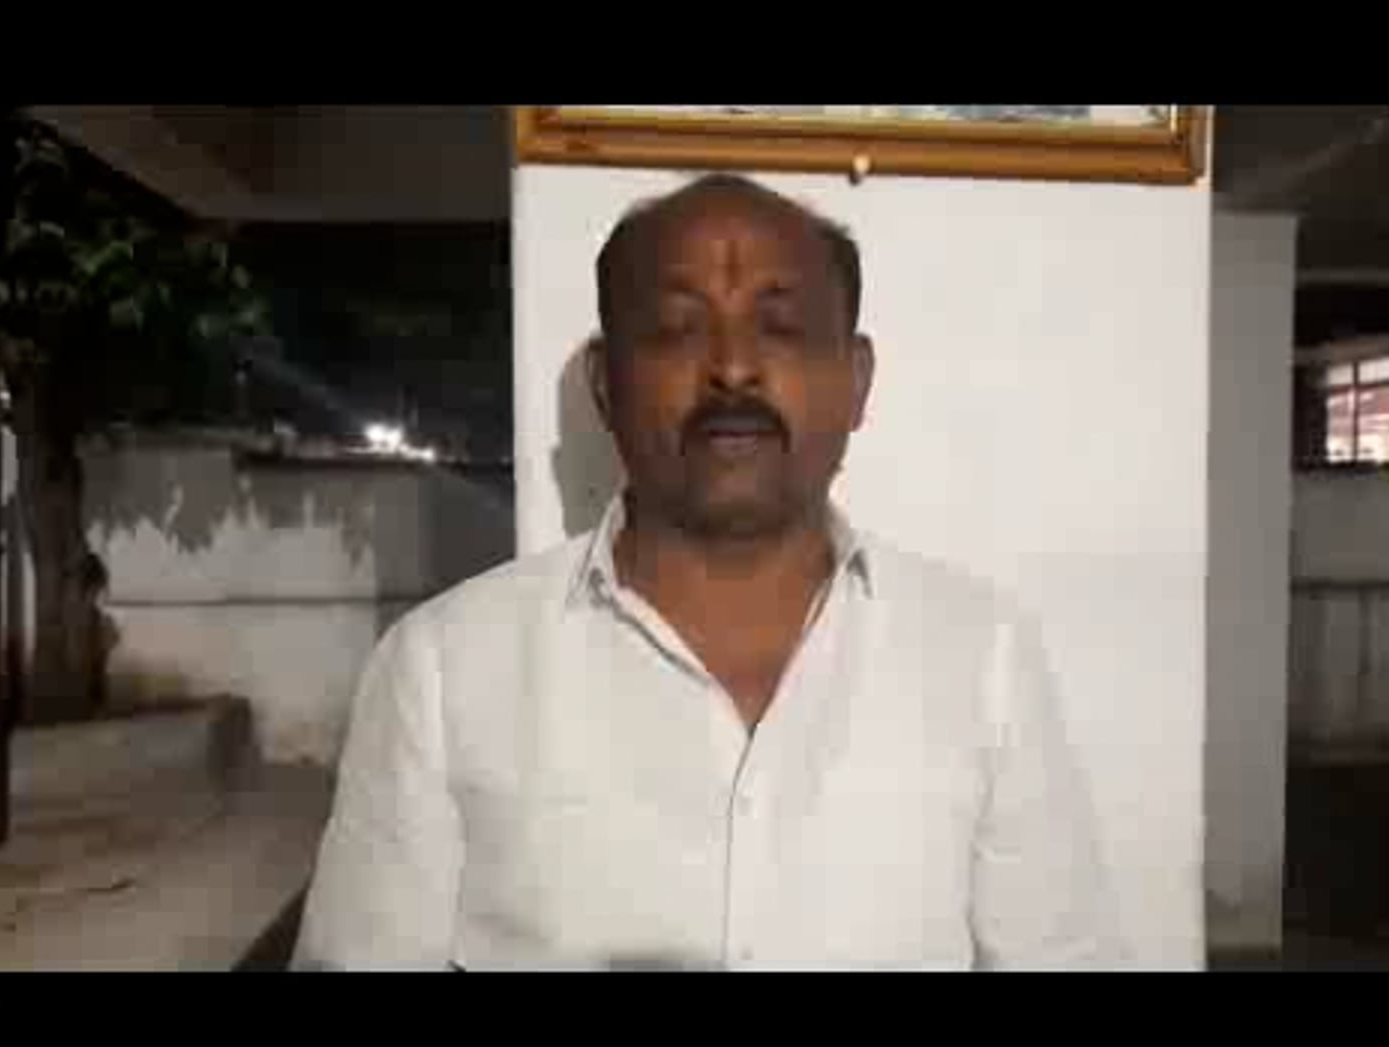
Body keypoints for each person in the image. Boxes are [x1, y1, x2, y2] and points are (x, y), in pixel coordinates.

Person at [291, 173, 1122, 971]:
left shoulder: (981, 657)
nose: (732, 367)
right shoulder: (442, 669)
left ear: (856, 380)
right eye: (677, 328)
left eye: (781, 327)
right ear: (606, 385)